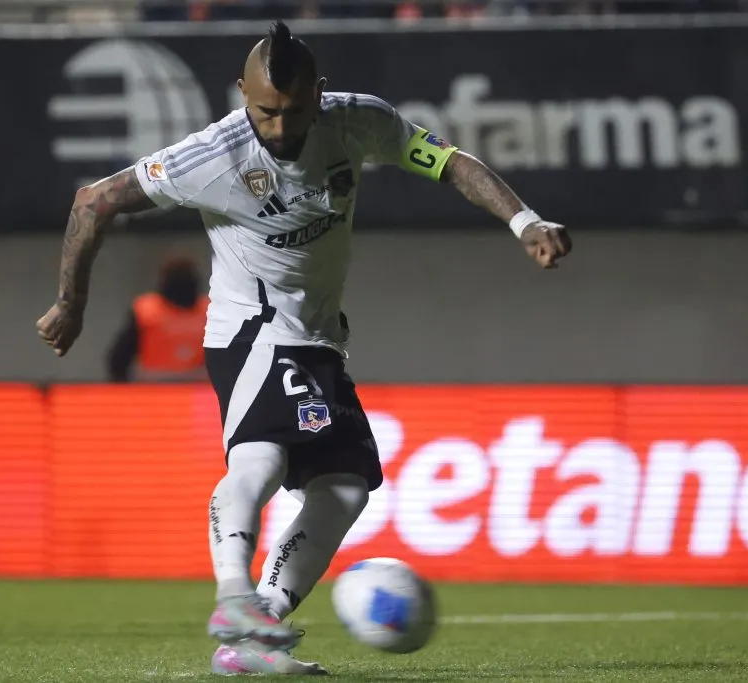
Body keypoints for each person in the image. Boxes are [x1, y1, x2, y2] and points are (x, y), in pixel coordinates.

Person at [37, 20, 570, 675]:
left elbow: (450, 161)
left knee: (345, 489)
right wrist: (71, 302)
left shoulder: (360, 124)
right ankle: (233, 595)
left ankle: (253, 638)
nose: (281, 128)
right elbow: (94, 201)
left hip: (318, 339)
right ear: (241, 94)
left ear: (319, 93)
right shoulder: (213, 155)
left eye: (294, 112)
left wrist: (524, 221)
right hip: (250, 329)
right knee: (259, 459)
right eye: (265, 112)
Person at [106, 253, 208, 382]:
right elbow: (119, 359)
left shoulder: (210, 311)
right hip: (157, 389)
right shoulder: (145, 311)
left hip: (196, 389)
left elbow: (118, 359)